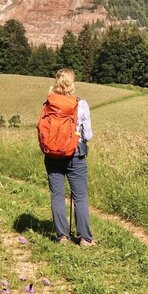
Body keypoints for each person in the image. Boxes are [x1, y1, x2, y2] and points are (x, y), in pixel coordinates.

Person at [42, 68, 95, 246]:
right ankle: (85, 239)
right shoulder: (81, 104)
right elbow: (87, 135)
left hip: (52, 154)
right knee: (79, 196)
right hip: (75, 153)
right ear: (73, 83)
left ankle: (62, 237)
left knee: (57, 194)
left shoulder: (49, 104)